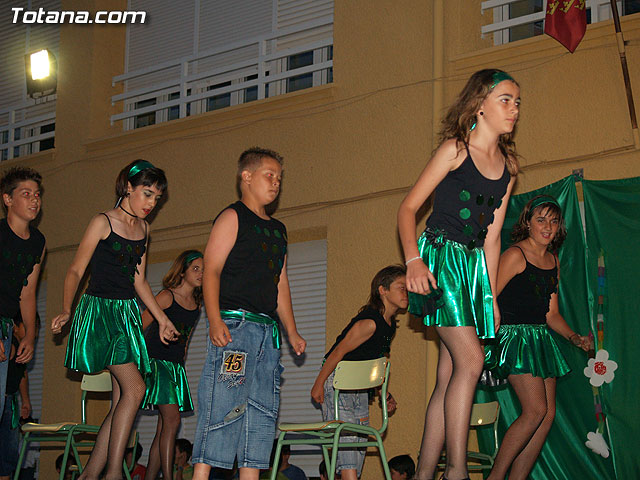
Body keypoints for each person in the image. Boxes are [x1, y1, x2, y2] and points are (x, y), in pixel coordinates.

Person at [397, 69, 520, 480]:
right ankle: (457, 471)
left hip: (471, 267)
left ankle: (424, 473)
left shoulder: (508, 167)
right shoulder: (455, 150)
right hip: (440, 257)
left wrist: (491, 297)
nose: (514, 109)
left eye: (517, 102)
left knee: (449, 373)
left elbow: (493, 237)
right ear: (480, 104)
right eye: (505, 100)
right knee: (471, 360)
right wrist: (413, 261)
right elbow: (408, 209)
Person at [51, 160, 179, 480]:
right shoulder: (103, 222)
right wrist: (66, 309)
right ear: (128, 188)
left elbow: (140, 281)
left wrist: (162, 319)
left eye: (157, 198)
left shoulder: (143, 229)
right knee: (135, 389)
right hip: (100, 314)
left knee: (123, 398)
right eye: (147, 194)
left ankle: (89, 475)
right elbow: (76, 270)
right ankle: (113, 473)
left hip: (126, 315)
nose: (151, 203)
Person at [192, 147, 306, 480]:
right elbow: (212, 270)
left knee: (261, 413)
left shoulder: (278, 230)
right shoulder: (233, 217)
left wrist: (292, 331)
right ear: (247, 177)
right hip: (236, 328)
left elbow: (280, 282)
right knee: (222, 405)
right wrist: (215, 319)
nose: (276, 183)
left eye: (279, 178)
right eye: (269, 175)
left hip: (266, 335)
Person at [483, 195, 591, 480]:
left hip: (539, 338)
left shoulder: (553, 261)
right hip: (513, 338)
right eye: (541, 220)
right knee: (535, 411)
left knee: (547, 415)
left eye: (553, 221)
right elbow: (487, 299)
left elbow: (551, 314)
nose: (548, 226)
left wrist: (574, 337)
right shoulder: (514, 255)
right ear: (527, 223)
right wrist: (481, 343)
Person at [310, 265, 406, 480]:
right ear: (383, 290)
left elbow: (372, 364)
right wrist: (318, 384)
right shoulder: (369, 322)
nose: (406, 293)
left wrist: (384, 394)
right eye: (401, 287)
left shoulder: (389, 326)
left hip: (359, 388)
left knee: (359, 438)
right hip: (337, 383)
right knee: (346, 437)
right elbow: (338, 352)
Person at [142, 250, 204, 480]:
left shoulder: (196, 305)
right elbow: (140, 326)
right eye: (195, 268)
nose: (201, 273)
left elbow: (184, 339)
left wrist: (182, 361)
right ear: (182, 271)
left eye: (203, 270)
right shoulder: (167, 296)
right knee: (172, 420)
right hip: (157, 363)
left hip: (175, 367)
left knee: (163, 428)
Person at [0, 167, 45, 425]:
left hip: (7, 326)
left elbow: (27, 292)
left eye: (37, 194)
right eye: (26, 194)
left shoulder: (38, 242)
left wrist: (28, 334)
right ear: (8, 199)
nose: (34, 200)